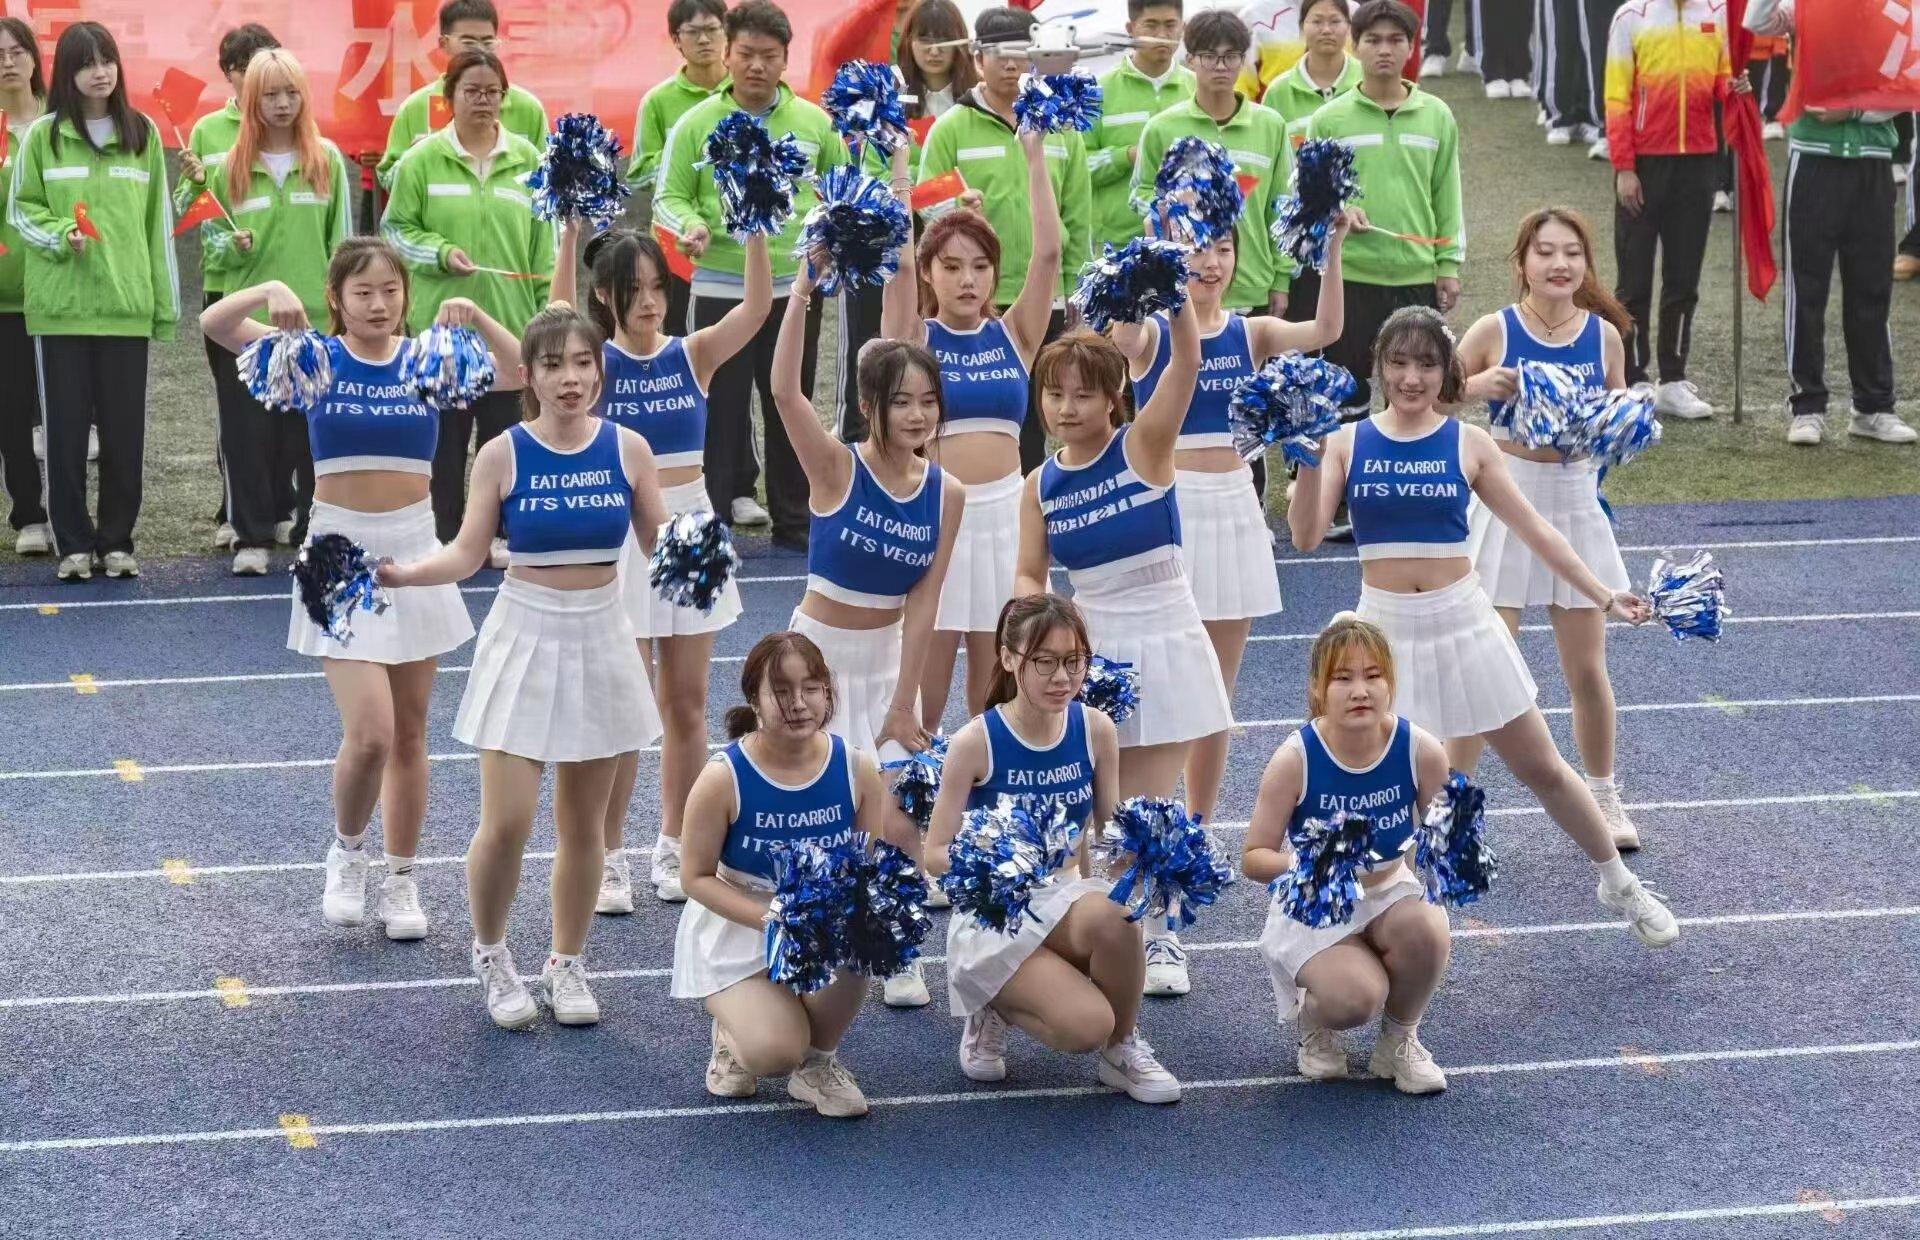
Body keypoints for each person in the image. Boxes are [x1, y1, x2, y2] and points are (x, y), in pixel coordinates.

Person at [1289, 306, 1681, 948]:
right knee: (1379, 787)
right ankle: (1357, 932)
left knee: (1543, 767)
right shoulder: (1346, 441)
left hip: (1465, 621)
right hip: (1383, 635)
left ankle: (1619, 882)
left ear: (1446, 371)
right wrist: (1307, 459)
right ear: (1380, 368)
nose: (1411, 378)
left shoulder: (1469, 443)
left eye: (1426, 365)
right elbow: (1306, 536)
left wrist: (1603, 593)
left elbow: (1536, 529)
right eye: (1398, 363)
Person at [200, 240, 513, 940]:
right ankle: (347, 853)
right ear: (336, 299)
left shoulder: (429, 359)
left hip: (416, 547)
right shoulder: (314, 355)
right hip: (337, 554)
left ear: (407, 295)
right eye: (363, 292)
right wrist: (268, 289)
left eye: (390, 291)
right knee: (370, 733)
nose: (378, 304)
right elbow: (216, 325)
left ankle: (401, 878)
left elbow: (522, 369)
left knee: (410, 733)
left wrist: (477, 318)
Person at [378, 306, 671, 1029]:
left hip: (602, 633)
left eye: (583, 363)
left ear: (600, 371)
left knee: (585, 826)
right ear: (527, 376)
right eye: (553, 364)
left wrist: (700, 552)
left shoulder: (630, 449)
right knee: (507, 821)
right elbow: (467, 552)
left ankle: (567, 963)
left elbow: (662, 543)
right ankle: (492, 953)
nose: (570, 378)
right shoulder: (502, 454)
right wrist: (406, 574)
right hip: (525, 634)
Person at [1016, 301, 1230, 999]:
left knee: (1144, 803)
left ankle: (1163, 933)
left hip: (1164, 636)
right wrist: (1037, 627)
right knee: (1085, 806)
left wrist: (1174, 297)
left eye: (1083, 394)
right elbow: (1029, 573)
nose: (1067, 408)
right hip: (1087, 648)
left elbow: (1187, 360)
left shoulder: (1143, 447)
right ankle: (1095, 928)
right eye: (1054, 394)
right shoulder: (1038, 486)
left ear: (1114, 397)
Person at [772, 243, 964, 1007]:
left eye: (928, 402)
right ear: (870, 407)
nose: (917, 415)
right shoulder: (834, 467)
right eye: (902, 402)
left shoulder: (946, 492)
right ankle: (796, 938)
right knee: (811, 814)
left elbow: (926, 602)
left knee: (900, 814)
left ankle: (896, 945)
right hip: (815, 660)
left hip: (887, 660)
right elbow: (784, 390)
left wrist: (904, 702)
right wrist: (804, 287)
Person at [551, 225, 766, 910]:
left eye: (656, 287)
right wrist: (569, 233)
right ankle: (608, 853)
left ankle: (674, 843)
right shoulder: (595, 363)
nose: (649, 302)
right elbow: (555, 317)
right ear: (605, 296)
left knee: (686, 703)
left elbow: (756, 308)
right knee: (624, 704)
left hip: (692, 529)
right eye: (633, 290)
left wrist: (755, 228)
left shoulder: (691, 353)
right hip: (622, 532)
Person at [1111, 215, 1348, 832]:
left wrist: (1332, 246)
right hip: (1169, 508)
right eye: (1196, 249)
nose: (1210, 262)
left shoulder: (1252, 331)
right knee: (1163, 678)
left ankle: (1197, 824)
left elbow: (1327, 329)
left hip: (1236, 506)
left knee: (1218, 690)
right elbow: (1120, 334)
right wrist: (1147, 265)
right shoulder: (1153, 333)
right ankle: (1143, 814)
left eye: (1222, 248)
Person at [925, 594, 1182, 1103]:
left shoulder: (1095, 729)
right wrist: (999, 865)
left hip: (1064, 898)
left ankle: (1122, 1049)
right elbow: (934, 852)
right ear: (1008, 658)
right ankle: (991, 1003)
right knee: (1084, 1026)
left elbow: (1109, 838)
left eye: (1073, 661)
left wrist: (1153, 850)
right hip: (997, 914)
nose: (1062, 677)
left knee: (1118, 915)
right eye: (1044, 662)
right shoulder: (976, 742)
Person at [1453, 207, 1643, 850]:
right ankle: (1454, 806)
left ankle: (1604, 794)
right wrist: (1477, 384)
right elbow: (1426, 394)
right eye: (1545, 252)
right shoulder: (1494, 329)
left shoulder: (1604, 337)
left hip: (1575, 500)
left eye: (1572, 253)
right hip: (1505, 495)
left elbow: (1617, 421)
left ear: (1586, 264)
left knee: (1587, 670)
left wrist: (1623, 422)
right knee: (1485, 664)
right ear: (1522, 262)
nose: (1560, 264)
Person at [671, 631, 905, 1118]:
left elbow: (865, 867)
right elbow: (694, 877)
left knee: (863, 931)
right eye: (780, 691)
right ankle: (734, 1032)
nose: (798, 703)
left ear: (827, 693)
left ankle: (818, 1063)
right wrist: (773, 918)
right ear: (754, 699)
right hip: (739, 925)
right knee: (774, 1053)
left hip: (820, 924)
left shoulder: (856, 768)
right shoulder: (723, 777)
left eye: (811, 688)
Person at [653, 0, 853, 550]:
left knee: (790, 399)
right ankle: (712, 522)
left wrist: (829, 238)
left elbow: (842, 190)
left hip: (795, 288)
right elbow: (668, 196)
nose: (756, 65)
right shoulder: (697, 123)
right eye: (745, 54)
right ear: (728, 54)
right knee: (718, 406)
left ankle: (797, 520)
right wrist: (691, 224)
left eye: (768, 55)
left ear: (786, 59)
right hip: (721, 285)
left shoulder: (814, 124)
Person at [879, 133, 1059, 729]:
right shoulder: (914, 338)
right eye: (951, 267)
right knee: (924, 697)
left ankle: (989, 785)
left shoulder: (1016, 334)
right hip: (935, 517)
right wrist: (900, 168)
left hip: (1008, 518)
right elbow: (896, 264)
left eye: (980, 267)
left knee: (998, 693)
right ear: (929, 274)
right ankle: (918, 783)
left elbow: (1049, 255)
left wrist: (1034, 156)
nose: (967, 280)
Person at [1245, 614, 1454, 1093]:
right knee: (1357, 998)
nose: (1360, 691)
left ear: (1390, 684)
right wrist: (1317, 864)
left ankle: (1398, 1041)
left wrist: (1453, 844)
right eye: (1343, 678)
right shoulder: (1295, 759)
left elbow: (1444, 842)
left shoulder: (1420, 749)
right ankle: (1315, 1021)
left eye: (1373, 675)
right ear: (1318, 689)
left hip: (1388, 890)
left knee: (1428, 927)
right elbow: (1254, 856)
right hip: (1315, 904)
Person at [6, 20, 179, 583]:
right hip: (60, 312)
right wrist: (62, 234)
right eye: (86, 63)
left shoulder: (143, 133)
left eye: (107, 60)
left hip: (127, 310)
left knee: (125, 437)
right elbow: (21, 211)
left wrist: (163, 309)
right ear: (66, 73)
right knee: (64, 437)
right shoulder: (43, 136)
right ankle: (74, 546)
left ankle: (118, 542)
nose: (100, 72)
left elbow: (157, 227)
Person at [380, 48, 557, 553]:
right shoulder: (421, 161)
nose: (483, 101)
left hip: (510, 331)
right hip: (443, 339)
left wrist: (543, 320)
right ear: (449, 97)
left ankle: (501, 534)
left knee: (507, 443)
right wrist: (439, 252)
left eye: (492, 92)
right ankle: (443, 537)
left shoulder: (530, 162)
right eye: (472, 91)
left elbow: (543, 250)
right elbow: (395, 231)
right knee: (444, 448)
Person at [917, 5, 1094, 476]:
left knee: (1051, 411)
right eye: (1000, 54)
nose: (1012, 64)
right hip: (979, 302)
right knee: (996, 410)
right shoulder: (951, 126)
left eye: (1021, 53)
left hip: (1044, 297)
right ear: (978, 58)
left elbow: (1078, 215)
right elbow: (925, 201)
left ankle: (1035, 504)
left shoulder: (1063, 129)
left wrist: (1077, 292)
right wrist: (955, 209)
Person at [200, 49, 351, 576]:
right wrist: (231, 246)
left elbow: (342, 246)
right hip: (248, 327)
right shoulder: (228, 167)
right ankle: (252, 536)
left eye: (291, 93)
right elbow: (209, 247)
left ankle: (311, 529)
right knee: (247, 433)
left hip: (313, 323)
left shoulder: (327, 159)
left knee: (307, 437)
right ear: (250, 101)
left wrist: (340, 317)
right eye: (270, 95)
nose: (282, 104)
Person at [1744, 0, 1915, 447]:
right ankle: (1807, 407)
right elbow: (1756, 21)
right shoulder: (1806, 5)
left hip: (1874, 160)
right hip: (1813, 159)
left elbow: (1909, 83)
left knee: (1871, 287)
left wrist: (1854, 109)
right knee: (1807, 288)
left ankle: (1873, 407)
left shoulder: (1895, 10)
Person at [1306, 0, 1464, 420]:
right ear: (1355, 45)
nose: (1384, 50)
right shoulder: (1328, 120)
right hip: (1350, 278)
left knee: (1415, 393)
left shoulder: (1437, 116)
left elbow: (1447, 194)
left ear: (1412, 47)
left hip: (1415, 277)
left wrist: (1448, 264)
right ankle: (1342, 465)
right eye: (1373, 40)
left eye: (1395, 40)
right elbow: (1310, 202)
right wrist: (1342, 210)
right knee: (1346, 398)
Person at [831, 0, 978, 449]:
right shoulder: (885, 99)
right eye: (923, 39)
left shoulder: (975, 103)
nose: (933, 50)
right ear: (907, 42)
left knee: (928, 340)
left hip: (946, 245)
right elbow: (863, 170)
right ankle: (857, 437)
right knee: (868, 339)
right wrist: (920, 186)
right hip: (880, 244)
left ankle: (922, 438)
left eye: (943, 39)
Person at [174, 22, 280, 557]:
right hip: (226, 290)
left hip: (285, 287)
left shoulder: (289, 123)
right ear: (231, 74)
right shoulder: (208, 130)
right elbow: (184, 206)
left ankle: (280, 506)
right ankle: (234, 507)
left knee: (289, 405)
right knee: (236, 407)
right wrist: (194, 183)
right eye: (250, 68)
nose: (264, 80)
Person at [1602, 0, 1731, 421]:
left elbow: (1723, 85)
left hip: (1698, 164)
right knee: (1634, 279)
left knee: (1683, 278)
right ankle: (1635, 377)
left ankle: (1673, 378)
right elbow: (1616, 97)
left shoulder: (1717, 12)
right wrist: (1625, 167)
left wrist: (1735, 87)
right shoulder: (1630, 17)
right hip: (1644, 165)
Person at [1134, 9, 1292, 319]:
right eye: (1209, 56)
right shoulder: (1161, 127)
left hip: (1253, 287)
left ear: (1243, 60)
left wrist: (1282, 279)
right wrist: (1175, 205)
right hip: (1184, 288)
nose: (1220, 66)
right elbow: (1140, 194)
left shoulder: (1271, 125)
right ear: (1190, 59)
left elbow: (1282, 205)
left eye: (1231, 56)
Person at [630, 0, 730, 340]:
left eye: (712, 29)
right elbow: (639, 173)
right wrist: (684, 160)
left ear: (727, 33)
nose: (704, 39)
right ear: (676, 39)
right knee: (680, 341)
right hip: (678, 249)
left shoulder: (746, 93)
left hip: (735, 245)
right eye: (693, 32)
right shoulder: (657, 101)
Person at [1260, 0, 1359, 335]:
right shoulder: (1278, 92)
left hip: (1359, 252)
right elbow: (1274, 177)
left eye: (1335, 21)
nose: (1326, 29)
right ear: (1302, 27)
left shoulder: (1367, 82)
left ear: (1349, 27)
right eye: (1317, 21)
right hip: (1301, 253)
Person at [375, 0, 547, 191]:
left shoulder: (528, 109)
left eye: (488, 42)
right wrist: (415, 159)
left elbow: (549, 182)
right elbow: (388, 179)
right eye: (469, 43)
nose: (480, 51)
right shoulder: (415, 108)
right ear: (444, 44)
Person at [1088, 0, 1193, 252]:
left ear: (1183, 28)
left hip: (1187, 245)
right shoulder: (1097, 91)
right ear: (1130, 29)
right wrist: (1128, 156)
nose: (1162, 35)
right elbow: (1078, 168)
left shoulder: (1198, 89)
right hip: (1117, 247)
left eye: (1170, 25)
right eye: (1151, 25)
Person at [0, 17, 48, 558]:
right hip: (6, 298)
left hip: (62, 293)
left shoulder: (60, 125)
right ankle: (30, 515)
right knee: (11, 411)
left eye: (17, 51)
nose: (8, 62)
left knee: (67, 414)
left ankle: (72, 516)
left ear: (34, 58)